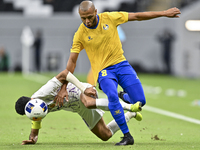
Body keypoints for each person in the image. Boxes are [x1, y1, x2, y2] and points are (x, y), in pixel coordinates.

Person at [56, 0, 181, 145]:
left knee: (140, 101)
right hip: (104, 72)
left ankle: (124, 96)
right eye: (83, 18)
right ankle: (127, 135)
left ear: (95, 11)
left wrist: (164, 13)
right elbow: (72, 61)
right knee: (112, 96)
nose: (87, 21)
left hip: (122, 66)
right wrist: (63, 87)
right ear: (79, 16)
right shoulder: (80, 34)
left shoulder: (110, 18)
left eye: (89, 17)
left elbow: (138, 16)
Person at [15, 69, 142, 145]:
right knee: (105, 135)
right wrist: (33, 138)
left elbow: (65, 73)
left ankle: (129, 106)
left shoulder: (42, 93)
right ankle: (130, 115)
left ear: (32, 100)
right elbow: (35, 129)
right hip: (78, 108)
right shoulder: (35, 111)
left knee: (88, 103)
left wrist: (82, 88)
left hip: (78, 90)